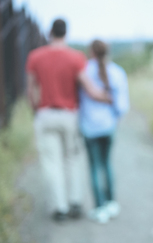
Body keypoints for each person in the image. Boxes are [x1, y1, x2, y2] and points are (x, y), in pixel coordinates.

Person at [26, 19, 110, 221]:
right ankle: (75, 203)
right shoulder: (76, 57)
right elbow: (90, 88)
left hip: (45, 114)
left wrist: (36, 110)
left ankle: (59, 208)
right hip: (69, 115)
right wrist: (108, 97)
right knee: (72, 160)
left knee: (51, 163)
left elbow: (31, 90)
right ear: (66, 33)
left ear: (50, 32)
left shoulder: (35, 57)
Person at [78, 39, 129, 224]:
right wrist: (114, 118)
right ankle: (111, 203)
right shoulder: (117, 72)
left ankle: (100, 208)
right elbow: (122, 105)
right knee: (107, 164)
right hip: (108, 126)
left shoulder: (84, 70)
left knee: (94, 166)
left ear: (91, 52)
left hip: (89, 127)